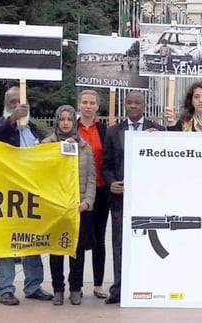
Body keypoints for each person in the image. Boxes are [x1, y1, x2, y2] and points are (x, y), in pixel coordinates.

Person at [0, 87, 55, 306]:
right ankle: (5, 288)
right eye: (12, 102)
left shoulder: (33, 129)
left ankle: (33, 285)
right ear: (6, 104)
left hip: (31, 193)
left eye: (20, 102)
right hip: (7, 193)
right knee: (7, 241)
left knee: (32, 240)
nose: (17, 105)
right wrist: (11, 121)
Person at [103, 92, 163, 304]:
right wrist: (111, 183)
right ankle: (118, 288)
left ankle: (147, 284)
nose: (133, 106)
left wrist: (160, 139)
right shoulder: (113, 132)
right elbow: (107, 165)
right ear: (124, 106)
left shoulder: (157, 130)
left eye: (137, 103)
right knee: (119, 244)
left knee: (148, 243)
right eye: (129, 103)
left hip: (148, 199)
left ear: (144, 105)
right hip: (121, 199)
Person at [44, 105, 97, 306]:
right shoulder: (47, 145)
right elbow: (41, 176)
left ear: (74, 122)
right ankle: (58, 289)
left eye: (69, 119)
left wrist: (87, 202)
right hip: (56, 207)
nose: (65, 123)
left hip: (78, 207)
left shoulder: (84, 147)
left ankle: (76, 288)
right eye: (62, 119)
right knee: (56, 250)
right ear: (57, 121)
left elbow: (91, 178)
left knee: (77, 249)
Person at [75, 89, 110, 300]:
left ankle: (98, 285)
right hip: (78, 191)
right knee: (78, 239)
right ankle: (76, 286)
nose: (88, 106)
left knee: (99, 239)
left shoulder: (104, 130)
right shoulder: (71, 128)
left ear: (97, 106)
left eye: (92, 103)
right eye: (85, 102)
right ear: (79, 104)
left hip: (101, 190)